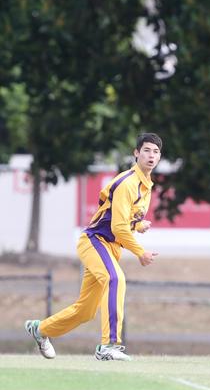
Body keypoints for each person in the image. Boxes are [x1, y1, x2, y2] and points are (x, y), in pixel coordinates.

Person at [24, 133, 162, 361]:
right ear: (136, 153)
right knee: (115, 279)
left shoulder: (145, 186)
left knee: (85, 311)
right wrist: (140, 252)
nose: (151, 155)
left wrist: (138, 224)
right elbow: (118, 228)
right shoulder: (128, 183)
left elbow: (122, 219)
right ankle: (109, 345)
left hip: (109, 248)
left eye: (156, 152)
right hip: (94, 242)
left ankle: (39, 330)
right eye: (146, 150)